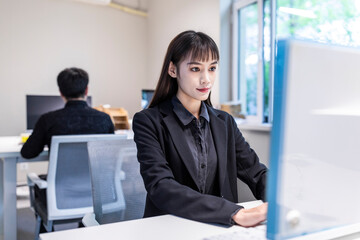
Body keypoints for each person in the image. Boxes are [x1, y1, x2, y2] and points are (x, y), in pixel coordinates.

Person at [132, 30, 268, 227]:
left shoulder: (225, 122)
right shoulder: (148, 121)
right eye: (195, 69)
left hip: (216, 226)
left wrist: (280, 201)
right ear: (173, 70)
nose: (206, 80)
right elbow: (161, 187)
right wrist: (234, 213)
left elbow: (256, 173)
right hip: (168, 227)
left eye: (212, 68)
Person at [21, 67, 114, 158]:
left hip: (61, 174)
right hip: (96, 174)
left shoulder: (48, 120)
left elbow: (27, 153)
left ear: (61, 92)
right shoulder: (105, 119)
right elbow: (111, 152)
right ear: (86, 90)